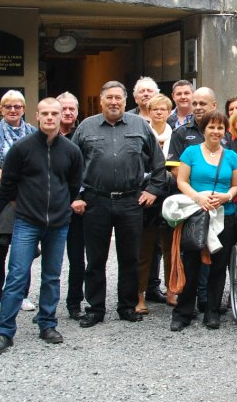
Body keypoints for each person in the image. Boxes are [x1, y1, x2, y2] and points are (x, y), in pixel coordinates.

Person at [0, 98, 84, 355]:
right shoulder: (22, 148)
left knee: (51, 276)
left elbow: (73, 185)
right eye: (45, 113)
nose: (50, 118)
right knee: (17, 275)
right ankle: (5, 331)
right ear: (37, 116)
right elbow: (7, 185)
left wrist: (62, 207)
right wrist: (25, 206)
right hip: (27, 222)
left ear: (62, 115)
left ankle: (47, 323)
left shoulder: (72, 151)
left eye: (55, 113)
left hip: (59, 223)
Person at [71, 81, 168, 328]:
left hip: (130, 201)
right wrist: (77, 195)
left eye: (118, 98)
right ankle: (95, 308)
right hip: (96, 201)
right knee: (95, 259)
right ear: (101, 101)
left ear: (126, 101)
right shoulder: (85, 127)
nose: (114, 102)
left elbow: (159, 164)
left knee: (130, 257)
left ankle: (126, 305)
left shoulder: (139, 126)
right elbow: (71, 165)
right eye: (109, 98)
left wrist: (153, 191)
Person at [172, 110, 237, 331]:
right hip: (196, 214)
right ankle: (183, 312)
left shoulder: (231, 157)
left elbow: (236, 185)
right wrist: (198, 197)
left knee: (219, 266)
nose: (215, 131)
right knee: (191, 263)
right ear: (203, 130)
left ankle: (212, 311)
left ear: (225, 131)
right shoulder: (190, 153)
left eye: (220, 127)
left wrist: (226, 196)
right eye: (211, 127)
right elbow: (182, 181)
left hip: (225, 215)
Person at [0, 90, 37, 316]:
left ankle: (22, 294)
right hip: (2, 196)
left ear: (24, 109)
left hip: (27, 197)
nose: (13, 110)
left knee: (25, 244)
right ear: (1, 109)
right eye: (8, 107)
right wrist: (8, 182)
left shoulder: (33, 132)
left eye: (17, 106)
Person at [136, 94, 174, 313]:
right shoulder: (141, 133)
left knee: (170, 249)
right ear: (148, 112)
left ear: (169, 112)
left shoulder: (176, 135)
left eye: (163, 109)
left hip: (170, 197)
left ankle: (172, 290)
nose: (159, 113)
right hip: (147, 197)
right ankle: (139, 295)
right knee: (144, 249)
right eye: (155, 109)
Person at [56, 91, 86, 319]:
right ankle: (47, 305)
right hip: (51, 208)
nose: (67, 112)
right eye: (62, 108)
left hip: (77, 208)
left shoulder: (85, 135)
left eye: (71, 109)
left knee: (77, 259)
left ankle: (74, 303)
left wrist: (76, 197)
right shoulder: (45, 135)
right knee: (50, 260)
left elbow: (85, 173)